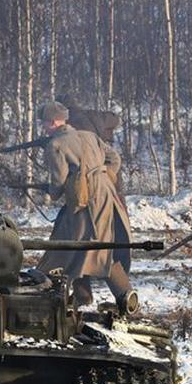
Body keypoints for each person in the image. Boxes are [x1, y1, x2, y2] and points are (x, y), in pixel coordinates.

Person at [34, 100, 137, 314]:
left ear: (53, 122)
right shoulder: (88, 136)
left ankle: (125, 298)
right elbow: (114, 158)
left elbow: (58, 183)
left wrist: (51, 191)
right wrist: (104, 177)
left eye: (44, 123)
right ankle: (84, 295)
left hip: (83, 204)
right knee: (90, 248)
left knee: (76, 248)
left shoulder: (56, 145)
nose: (43, 127)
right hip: (106, 199)